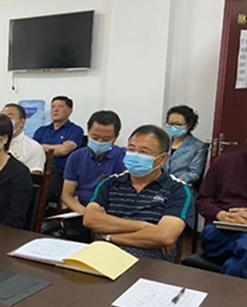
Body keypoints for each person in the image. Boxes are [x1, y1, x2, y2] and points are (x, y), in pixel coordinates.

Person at [83, 125, 194, 262]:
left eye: (143, 152)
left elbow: (164, 236)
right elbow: (90, 219)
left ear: (162, 159)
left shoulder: (177, 189)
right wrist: (143, 226)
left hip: (149, 259)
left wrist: (109, 236)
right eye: (131, 149)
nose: (135, 155)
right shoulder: (110, 183)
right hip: (103, 254)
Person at [50, 111, 126, 242]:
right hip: (83, 209)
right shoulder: (76, 157)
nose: (99, 142)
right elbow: (67, 195)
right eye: (95, 137)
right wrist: (86, 212)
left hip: (113, 210)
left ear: (116, 137)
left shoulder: (123, 157)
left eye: (106, 139)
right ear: (88, 132)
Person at [196, 150, 247, 277]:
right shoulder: (224, 162)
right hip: (220, 230)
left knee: (235, 264)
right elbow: (202, 200)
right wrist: (222, 215)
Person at [33, 96, 84, 201]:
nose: (55, 110)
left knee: (43, 193)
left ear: (70, 110)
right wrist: (58, 146)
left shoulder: (75, 130)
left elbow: (63, 151)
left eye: (60, 106)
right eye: (53, 107)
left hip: (59, 171)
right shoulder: (42, 130)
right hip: (39, 167)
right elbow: (34, 149)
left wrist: (43, 146)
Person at [164, 105, 208, 186]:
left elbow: (194, 172)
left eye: (178, 124)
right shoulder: (162, 141)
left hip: (180, 185)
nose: (173, 127)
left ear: (189, 125)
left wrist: (179, 181)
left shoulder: (198, 146)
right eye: (170, 124)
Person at [1, 103, 46, 173]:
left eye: (9, 118)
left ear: (22, 122)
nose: (4, 122)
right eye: (2, 118)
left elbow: (35, 176)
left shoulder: (33, 147)